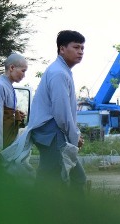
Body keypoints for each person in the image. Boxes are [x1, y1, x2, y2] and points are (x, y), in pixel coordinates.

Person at [26, 30, 87, 191]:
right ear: (62, 49)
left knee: (59, 179)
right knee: (62, 180)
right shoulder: (59, 73)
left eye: (82, 48)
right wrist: (75, 136)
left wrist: (74, 134)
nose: (80, 51)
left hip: (52, 133)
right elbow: (61, 113)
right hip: (52, 134)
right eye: (76, 47)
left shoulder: (61, 71)